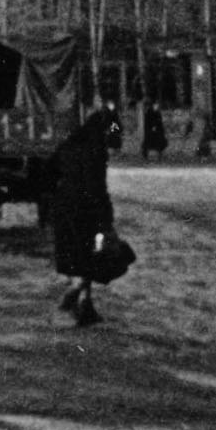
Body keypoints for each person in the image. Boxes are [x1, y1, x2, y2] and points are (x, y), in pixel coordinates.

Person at [44, 106, 121, 327]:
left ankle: (86, 306)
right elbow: (97, 186)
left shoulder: (71, 143)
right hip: (86, 211)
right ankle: (72, 298)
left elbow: (49, 170)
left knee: (81, 259)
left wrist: (58, 195)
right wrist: (106, 218)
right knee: (89, 259)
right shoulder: (96, 149)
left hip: (65, 209)